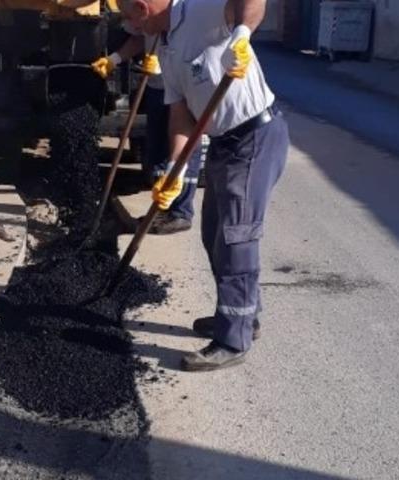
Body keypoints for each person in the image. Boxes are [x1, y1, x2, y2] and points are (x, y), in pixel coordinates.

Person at [118, 0, 289, 371]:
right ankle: (243, 315)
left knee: (235, 237)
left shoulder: (200, 9)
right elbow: (181, 116)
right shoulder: (166, 47)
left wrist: (241, 34)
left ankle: (233, 339)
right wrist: (175, 171)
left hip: (254, 136)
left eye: (129, 18)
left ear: (143, 7)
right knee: (213, 233)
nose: (131, 27)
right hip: (224, 142)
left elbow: (252, 2)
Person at [91, 32, 203, 235]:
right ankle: (161, 210)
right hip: (156, 86)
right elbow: (140, 37)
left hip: (181, 86)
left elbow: (193, 44)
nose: (132, 22)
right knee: (157, 149)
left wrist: (165, 63)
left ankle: (180, 212)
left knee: (181, 146)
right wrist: (114, 59)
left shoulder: (181, 15)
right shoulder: (145, 18)